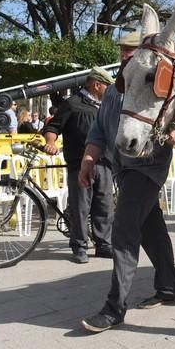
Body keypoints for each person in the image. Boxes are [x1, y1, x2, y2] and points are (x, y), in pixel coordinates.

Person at [80, 33, 175, 333]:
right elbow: (99, 130)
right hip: (121, 169)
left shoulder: (156, 85)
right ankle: (168, 286)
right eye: (123, 51)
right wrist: (89, 160)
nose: (126, 55)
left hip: (147, 168)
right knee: (151, 227)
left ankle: (114, 309)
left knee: (124, 229)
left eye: (132, 50)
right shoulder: (113, 91)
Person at [42, 67, 116, 264]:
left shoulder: (107, 106)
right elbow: (53, 127)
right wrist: (50, 142)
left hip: (105, 163)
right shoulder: (72, 104)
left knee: (105, 205)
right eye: (107, 87)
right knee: (80, 207)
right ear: (96, 84)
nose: (110, 91)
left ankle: (103, 244)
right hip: (79, 163)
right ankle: (79, 246)